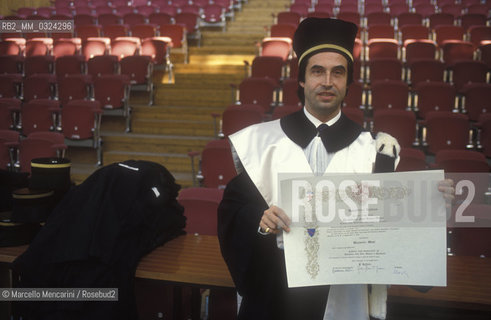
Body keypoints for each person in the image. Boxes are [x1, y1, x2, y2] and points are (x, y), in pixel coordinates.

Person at [217, 18, 453, 320]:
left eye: (337, 72)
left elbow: (393, 241)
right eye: (317, 71)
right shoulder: (260, 144)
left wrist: (430, 212)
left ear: (348, 83)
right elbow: (233, 218)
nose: (327, 81)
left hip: (344, 300)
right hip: (273, 296)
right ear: (301, 80)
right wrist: (260, 222)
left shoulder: (377, 153)